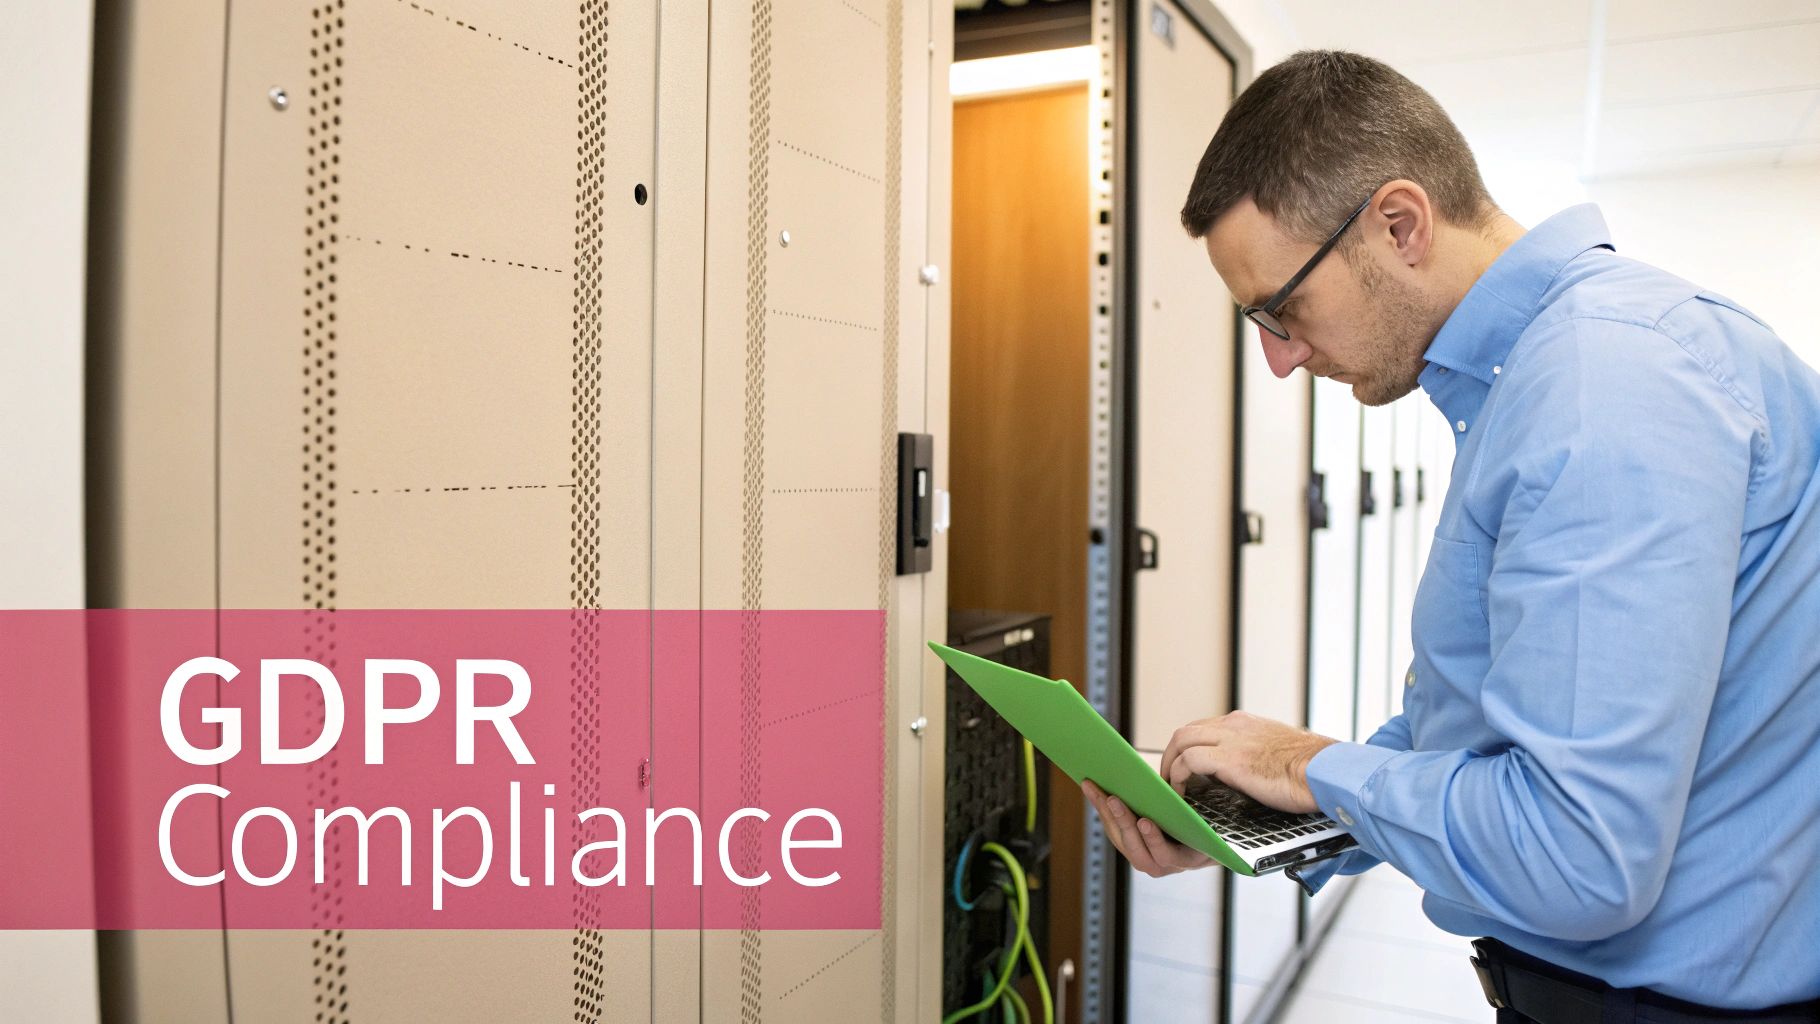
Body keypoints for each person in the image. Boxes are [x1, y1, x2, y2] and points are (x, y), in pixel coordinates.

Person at [1082, 49, 1820, 1023]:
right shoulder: (1545, 376)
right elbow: (1477, 733)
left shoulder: (1606, 388)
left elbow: (1576, 856)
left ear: (1398, 223)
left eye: (1282, 309)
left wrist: (1305, 765)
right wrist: (1283, 814)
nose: (1278, 357)